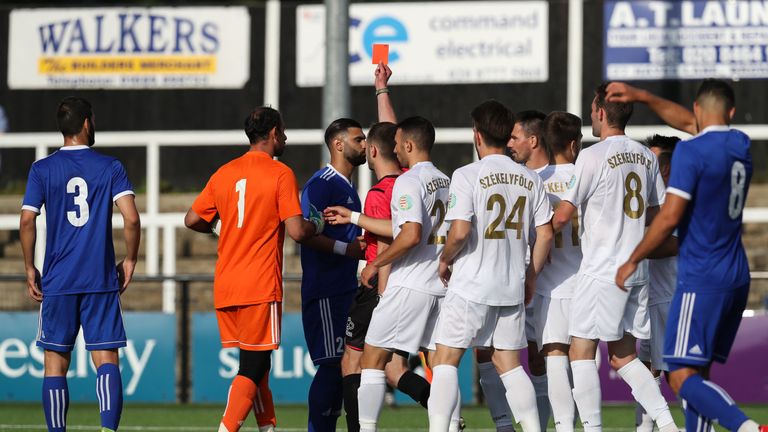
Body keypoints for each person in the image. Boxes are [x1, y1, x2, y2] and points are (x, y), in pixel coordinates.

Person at [614, 80, 767, 432]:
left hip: (702, 276)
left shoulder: (690, 153)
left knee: (680, 376)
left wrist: (634, 257)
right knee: (699, 374)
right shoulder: (740, 144)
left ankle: (745, 427)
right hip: (736, 274)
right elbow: (691, 125)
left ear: (697, 110)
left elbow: (669, 217)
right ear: (730, 113)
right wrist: (643, 97)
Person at [550, 83, 677, 432]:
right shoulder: (644, 156)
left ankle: (592, 429)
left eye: (593, 108)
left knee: (580, 351)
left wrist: (537, 232)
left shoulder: (590, 156)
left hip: (602, 269)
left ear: (602, 113)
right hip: (636, 272)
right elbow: (655, 213)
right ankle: (668, 425)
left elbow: (563, 216)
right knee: (624, 356)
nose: (592, 114)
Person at [185, 106, 320, 432]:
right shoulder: (280, 173)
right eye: (283, 131)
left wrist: (221, 227)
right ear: (273, 133)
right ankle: (226, 429)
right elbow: (298, 231)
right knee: (254, 364)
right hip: (259, 284)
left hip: (227, 283)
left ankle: (267, 428)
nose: (285, 137)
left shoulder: (225, 172)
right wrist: (316, 223)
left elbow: (191, 219)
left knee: (256, 365)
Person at [427, 100, 553, 432]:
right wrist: (531, 275)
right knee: (510, 366)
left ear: (477, 135)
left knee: (445, 361)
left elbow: (460, 230)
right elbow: (545, 233)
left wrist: (445, 258)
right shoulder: (530, 178)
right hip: (511, 286)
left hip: (472, 284)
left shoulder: (467, 174)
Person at [20, 97, 141, 432]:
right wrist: (130, 259)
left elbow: (27, 221)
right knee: (106, 360)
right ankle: (107, 430)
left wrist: (30, 268)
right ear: (87, 123)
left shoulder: (42, 169)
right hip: (100, 278)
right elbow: (131, 219)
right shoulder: (110, 167)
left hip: (58, 280)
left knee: (55, 363)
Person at [352, 116, 451, 432]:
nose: (394, 150)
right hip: (441, 287)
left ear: (408, 145)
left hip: (410, 283)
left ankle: (366, 429)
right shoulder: (446, 180)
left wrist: (375, 264)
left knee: (372, 359)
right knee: (442, 366)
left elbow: (408, 234)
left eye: (397, 144)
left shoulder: (408, 182)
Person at [300, 118, 367, 432]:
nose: (365, 145)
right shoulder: (322, 183)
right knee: (331, 365)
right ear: (338, 144)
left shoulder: (347, 186)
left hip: (345, 288)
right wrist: (346, 250)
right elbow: (303, 232)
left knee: (347, 366)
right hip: (325, 289)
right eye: (359, 139)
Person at [534, 111, 583, 432]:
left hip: (550, 285)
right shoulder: (588, 173)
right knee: (584, 361)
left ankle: (563, 427)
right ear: (575, 144)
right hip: (587, 280)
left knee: (553, 357)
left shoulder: (535, 180)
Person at [505, 109, 551, 432]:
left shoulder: (556, 177)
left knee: (559, 361)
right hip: (524, 284)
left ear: (532, 140)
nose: (510, 143)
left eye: (515, 137)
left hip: (553, 286)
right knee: (531, 361)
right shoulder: (514, 177)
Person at [634, 135, 680, 432]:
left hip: (670, 297)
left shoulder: (679, 200)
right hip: (649, 296)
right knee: (646, 370)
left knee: (679, 376)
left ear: (663, 168)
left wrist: (631, 251)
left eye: (651, 161)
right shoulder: (648, 200)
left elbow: (678, 243)